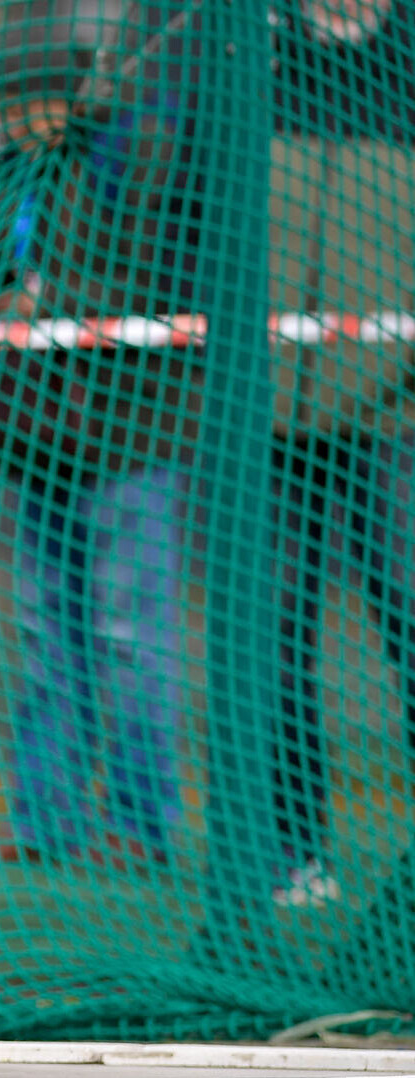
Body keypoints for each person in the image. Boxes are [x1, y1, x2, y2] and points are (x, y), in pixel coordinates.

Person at [0, 4, 198, 872]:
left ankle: (140, 821)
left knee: (129, 633)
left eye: (23, 104)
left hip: (130, 434)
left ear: (67, 94)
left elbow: (153, 271)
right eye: (0, 107)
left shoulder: (131, 156)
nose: (11, 122)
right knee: (48, 635)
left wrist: (53, 300)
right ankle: (46, 819)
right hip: (39, 435)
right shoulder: (17, 173)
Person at [265, 0, 415, 907]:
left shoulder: (407, 52)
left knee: (407, 615)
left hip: (394, 418)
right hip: (269, 424)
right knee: (274, 640)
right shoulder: (253, 45)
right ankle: (295, 851)